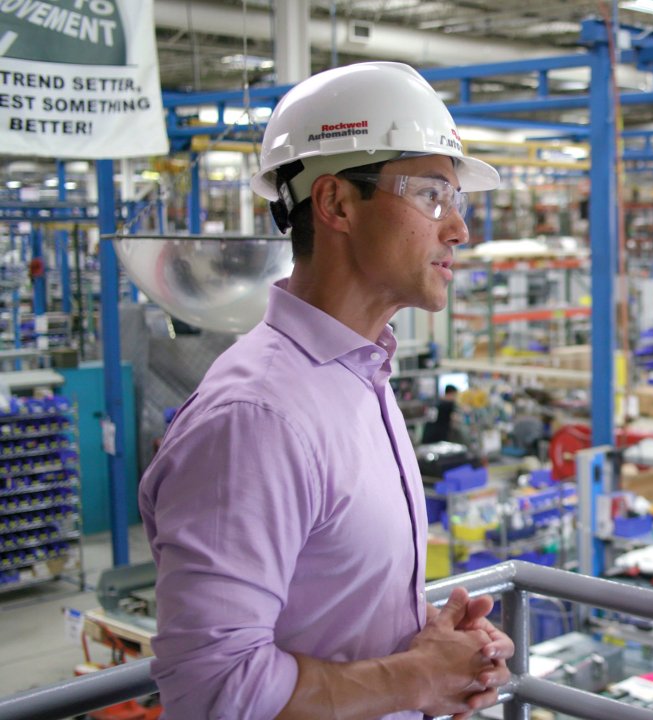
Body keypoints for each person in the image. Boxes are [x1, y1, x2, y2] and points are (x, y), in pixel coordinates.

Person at [139, 62, 514, 719]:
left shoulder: (359, 377)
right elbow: (211, 691)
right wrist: (414, 680)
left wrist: (423, 639)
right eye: (432, 195)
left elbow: (322, 599)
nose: (458, 230)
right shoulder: (258, 419)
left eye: (455, 201)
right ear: (337, 203)